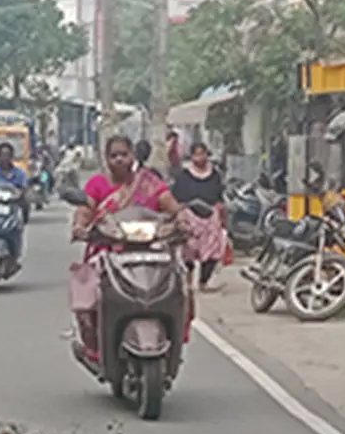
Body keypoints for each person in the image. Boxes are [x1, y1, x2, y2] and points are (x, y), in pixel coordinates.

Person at [70, 135, 187, 360]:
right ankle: (93, 346)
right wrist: (80, 226)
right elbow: (85, 209)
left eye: (124, 154)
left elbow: (171, 205)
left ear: (132, 156)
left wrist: (182, 220)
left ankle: (175, 338)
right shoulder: (98, 184)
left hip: (150, 251)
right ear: (106, 159)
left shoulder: (149, 182)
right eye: (114, 156)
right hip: (107, 250)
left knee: (180, 285)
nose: (119, 160)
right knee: (86, 294)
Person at [172, 142, 228, 292]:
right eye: (196, 154)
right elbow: (177, 199)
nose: (200, 157)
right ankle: (188, 283)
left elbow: (219, 197)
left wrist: (222, 218)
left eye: (202, 154)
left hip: (211, 219)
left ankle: (204, 282)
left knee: (213, 252)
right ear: (191, 157)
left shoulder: (215, 175)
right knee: (188, 252)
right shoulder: (183, 176)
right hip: (190, 217)